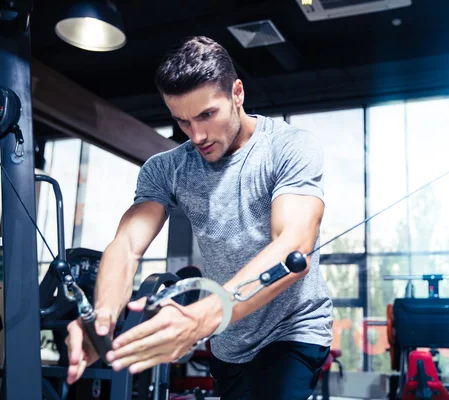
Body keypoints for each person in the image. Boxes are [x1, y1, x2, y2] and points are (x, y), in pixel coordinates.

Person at [65, 35, 334, 400]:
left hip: (291, 330)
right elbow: (127, 244)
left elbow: (292, 247)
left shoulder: (289, 147)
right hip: (228, 340)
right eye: (182, 121)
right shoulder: (167, 168)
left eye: (207, 115)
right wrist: (103, 318)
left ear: (237, 93)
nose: (197, 135)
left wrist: (201, 318)